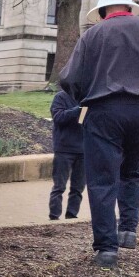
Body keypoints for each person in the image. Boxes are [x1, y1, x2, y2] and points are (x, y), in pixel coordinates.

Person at [60, 0, 139, 268]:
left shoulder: (92, 35)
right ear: (129, 9)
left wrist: (87, 96)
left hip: (104, 110)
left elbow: (70, 79)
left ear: (103, 12)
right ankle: (128, 231)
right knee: (133, 172)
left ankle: (107, 249)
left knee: (102, 179)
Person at [49, 90, 85, 221]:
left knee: (78, 187)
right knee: (59, 186)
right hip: (64, 149)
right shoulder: (61, 97)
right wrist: (78, 110)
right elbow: (58, 118)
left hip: (83, 150)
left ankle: (72, 215)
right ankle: (54, 216)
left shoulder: (86, 96)